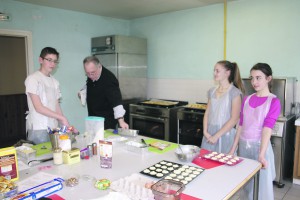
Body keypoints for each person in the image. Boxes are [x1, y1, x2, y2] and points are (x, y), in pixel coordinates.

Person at [229, 63, 281, 200]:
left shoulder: (273, 102)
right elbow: (240, 125)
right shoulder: (246, 100)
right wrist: (232, 149)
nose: (254, 82)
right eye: (252, 78)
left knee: (261, 188)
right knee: (246, 186)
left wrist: (262, 154)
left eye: (258, 78)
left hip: (260, 149)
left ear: (268, 79)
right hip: (244, 149)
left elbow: (267, 128)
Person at [25, 47, 71, 144]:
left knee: (54, 155)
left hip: (53, 127)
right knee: (40, 157)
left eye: (55, 61)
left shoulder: (55, 82)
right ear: (41, 60)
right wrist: (62, 118)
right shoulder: (33, 79)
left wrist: (65, 125)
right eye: (49, 60)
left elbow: (56, 105)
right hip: (38, 128)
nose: (52, 64)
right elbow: (39, 107)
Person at [201, 60, 244, 153]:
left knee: (224, 165)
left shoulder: (235, 93)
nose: (214, 73)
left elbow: (234, 119)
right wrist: (205, 132)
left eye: (217, 71)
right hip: (209, 134)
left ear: (227, 73)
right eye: (214, 71)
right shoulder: (211, 91)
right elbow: (207, 113)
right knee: (206, 163)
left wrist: (216, 136)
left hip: (225, 135)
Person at [81, 56, 129, 129]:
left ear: (99, 66)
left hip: (105, 122)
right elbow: (91, 85)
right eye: (87, 73)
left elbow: (116, 101)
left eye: (92, 73)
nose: (90, 76)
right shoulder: (92, 74)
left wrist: (121, 121)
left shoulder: (109, 79)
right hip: (93, 118)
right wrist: (83, 93)